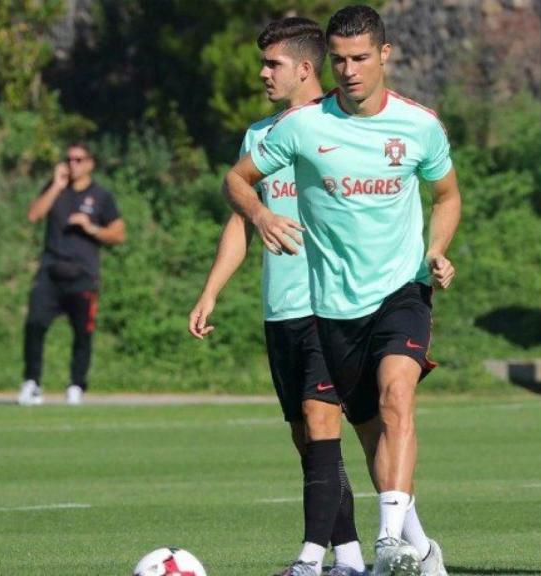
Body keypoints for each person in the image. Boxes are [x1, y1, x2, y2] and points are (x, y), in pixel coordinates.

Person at [190, 16, 444, 576]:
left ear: (306, 67)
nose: (262, 74)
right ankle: (398, 549)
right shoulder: (265, 136)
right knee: (316, 437)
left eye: (272, 64)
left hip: (328, 301)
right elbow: (239, 215)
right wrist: (212, 289)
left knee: (347, 416)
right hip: (280, 308)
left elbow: (434, 192)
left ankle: (323, 556)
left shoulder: (357, 127)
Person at [18, 143, 125, 406]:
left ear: (90, 163)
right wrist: (55, 185)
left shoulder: (101, 196)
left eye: (79, 160)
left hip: (83, 274)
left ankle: (76, 385)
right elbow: (34, 215)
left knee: (82, 333)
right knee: (34, 325)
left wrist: (92, 228)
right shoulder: (55, 189)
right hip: (51, 271)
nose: (73, 164)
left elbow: (119, 234)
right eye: (69, 159)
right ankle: (32, 383)